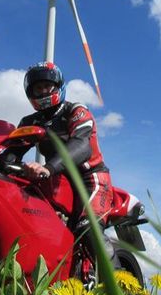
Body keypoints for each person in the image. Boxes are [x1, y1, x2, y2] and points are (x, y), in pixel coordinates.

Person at [18, 61, 113, 231]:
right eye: (38, 88)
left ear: (58, 86)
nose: (43, 91)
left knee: (88, 231)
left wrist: (48, 168)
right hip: (55, 180)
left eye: (47, 86)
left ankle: (104, 256)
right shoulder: (29, 122)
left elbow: (82, 145)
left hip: (90, 178)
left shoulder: (76, 111)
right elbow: (13, 148)